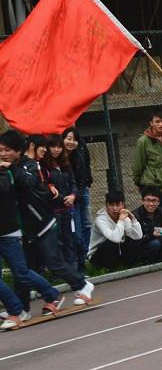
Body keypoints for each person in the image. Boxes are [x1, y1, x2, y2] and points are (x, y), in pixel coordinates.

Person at [1, 131, 94, 307]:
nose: (3, 154)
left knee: (54, 263)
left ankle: (82, 285)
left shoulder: (29, 165)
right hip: (25, 228)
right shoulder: (8, 169)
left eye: (7, 150)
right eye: (0, 150)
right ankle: (23, 308)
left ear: (18, 150)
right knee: (22, 269)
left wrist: (10, 168)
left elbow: (30, 183)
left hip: (43, 222)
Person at [0, 143, 63, 325]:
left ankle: (49, 296)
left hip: (8, 231)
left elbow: (5, 190)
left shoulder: (4, 171)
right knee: (21, 272)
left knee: (21, 273)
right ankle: (16, 309)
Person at [42, 134, 80, 270]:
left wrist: (73, 195)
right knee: (57, 242)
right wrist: (65, 198)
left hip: (68, 209)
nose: (56, 150)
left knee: (70, 239)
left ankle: (73, 270)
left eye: (59, 147)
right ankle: (59, 272)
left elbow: (73, 182)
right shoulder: (44, 167)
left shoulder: (65, 164)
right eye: (53, 146)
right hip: (54, 211)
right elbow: (46, 188)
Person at [88, 190, 144, 269]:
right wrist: (121, 221)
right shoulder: (100, 220)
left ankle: (128, 266)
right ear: (106, 205)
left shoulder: (124, 217)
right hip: (97, 256)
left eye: (118, 205)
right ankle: (107, 269)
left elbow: (138, 236)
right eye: (111, 205)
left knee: (134, 241)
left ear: (123, 205)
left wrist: (133, 219)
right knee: (111, 243)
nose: (114, 208)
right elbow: (115, 239)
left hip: (117, 251)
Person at [132, 107, 162, 213]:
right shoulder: (143, 141)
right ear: (151, 123)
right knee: (151, 217)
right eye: (157, 121)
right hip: (149, 186)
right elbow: (138, 166)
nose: (161, 124)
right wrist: (139, 183)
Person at [63, 127, 92, 263]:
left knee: (86, 223)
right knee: (75, 229)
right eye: (69, 139)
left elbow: (83, 174)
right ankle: (78, 257)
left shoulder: (78, 153)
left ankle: (87, 253)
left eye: (75, 140)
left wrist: (79, 192)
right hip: (69, 195)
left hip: (81, 191)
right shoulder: (58, 156)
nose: (72, 142)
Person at [132, 187, 162, 264]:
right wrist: (152, 235)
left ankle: (160, 261)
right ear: (142, 201)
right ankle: (146, 263)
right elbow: (135, 240)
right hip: (141, 247)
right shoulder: (136, 215)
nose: (151, 204)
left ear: (159, 202)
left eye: (154, 201)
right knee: (155, 243)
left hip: (158, 241)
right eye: (148, 200)